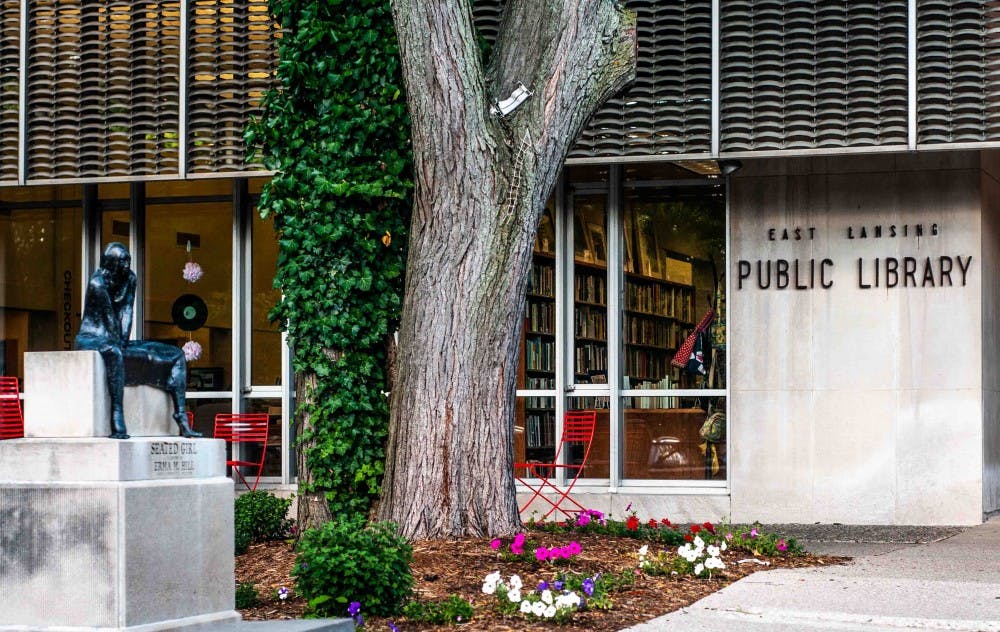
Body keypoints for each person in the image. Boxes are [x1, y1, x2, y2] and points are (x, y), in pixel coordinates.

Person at [75, 242, 201, 439]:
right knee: (114, 352)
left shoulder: (130, 278)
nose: (127, 265)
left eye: (128, 260)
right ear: (112, 264)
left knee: (176, 354)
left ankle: (181, 416)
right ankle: (117, 414)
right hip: (92, 337)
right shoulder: (97, 283)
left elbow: (127, 311)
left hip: (116, 337)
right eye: (123, 261)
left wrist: (124, 339)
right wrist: (119, 343)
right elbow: (108, 317)